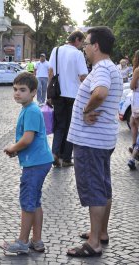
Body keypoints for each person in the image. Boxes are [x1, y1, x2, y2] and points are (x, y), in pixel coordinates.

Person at [66, 26, 123, 257]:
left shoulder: (101, 69)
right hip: (101, 139)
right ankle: (101, 232)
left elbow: (100, 93)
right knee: (103, 185)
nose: (86, 48)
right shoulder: (111, 67)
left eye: (87, 44)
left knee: (95, 189)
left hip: (91, 141)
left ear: (96, 46)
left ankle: (93, 243)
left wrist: (85, 110)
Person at [1, 72, 53, 254]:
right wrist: (17, 150)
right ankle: (37, 240)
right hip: (40, 161)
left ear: (33, 92)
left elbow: (28, 139)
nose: (17, 93)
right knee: (35, 201)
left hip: (35, 164)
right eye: (15, 89)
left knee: (28, 202)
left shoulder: (30, 110)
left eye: (22, 90)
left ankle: (23, 242)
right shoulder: (28, 108)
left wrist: (14, 148)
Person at [48, 31, 88, 167]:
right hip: (73, 95)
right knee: (71, 126)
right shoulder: (78, 54)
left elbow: (50, 72)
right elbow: (83, 76)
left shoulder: (56, 50)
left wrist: (50, 93)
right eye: (82, 42)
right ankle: (66, 158)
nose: (82, 45)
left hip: (58, 93)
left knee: (59, 125)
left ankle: (55, 153)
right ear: (77, 39)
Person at [127, 50, 139, 169]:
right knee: (132, 122)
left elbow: (132, 86)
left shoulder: (137, 70)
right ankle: (134, 147)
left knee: (135, 123)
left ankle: (134, 155)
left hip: (137, 100)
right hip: (136, 100)